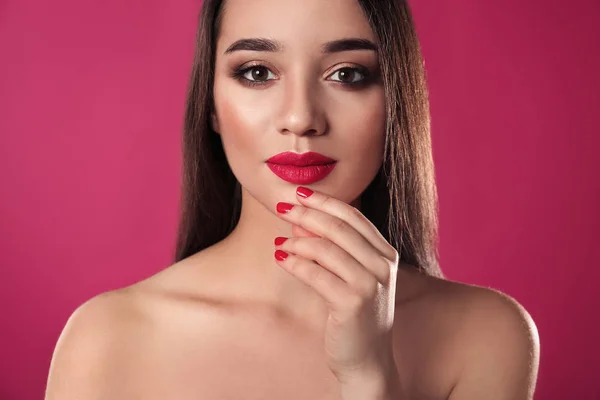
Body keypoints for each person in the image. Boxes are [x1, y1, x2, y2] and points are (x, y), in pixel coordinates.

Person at [45, 0, 540, 399]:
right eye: (258, 72)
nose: (302, 118)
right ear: (211, 106)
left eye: (347, 74)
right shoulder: (108, 339)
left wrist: (368, 378)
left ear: (396, 102)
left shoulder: (485, 337)